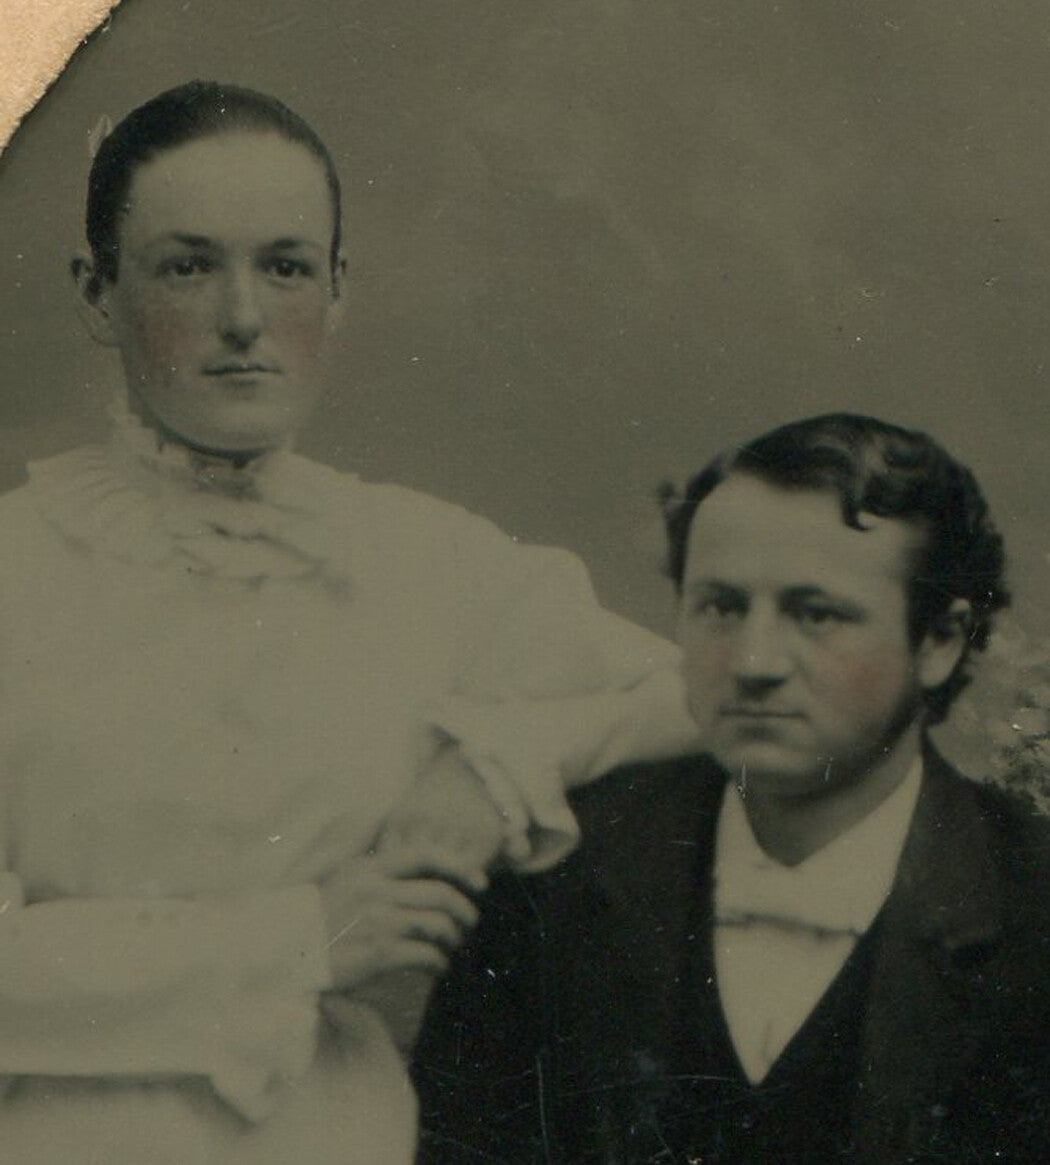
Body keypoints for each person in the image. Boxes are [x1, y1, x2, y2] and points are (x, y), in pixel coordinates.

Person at [0, 81, 696, 1163]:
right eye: (188, 265)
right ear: (98, 294)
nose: (243, 319)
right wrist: (299, 939)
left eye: (284, 266)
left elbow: (712, 690)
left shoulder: (428, 564)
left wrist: (494, 763)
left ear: (336, 289)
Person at [415, 414, 1050, 1164]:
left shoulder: (1031, 908)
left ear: (940, 640)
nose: (753, 660)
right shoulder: (552, 880)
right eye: (720, 606)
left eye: (816, 614)